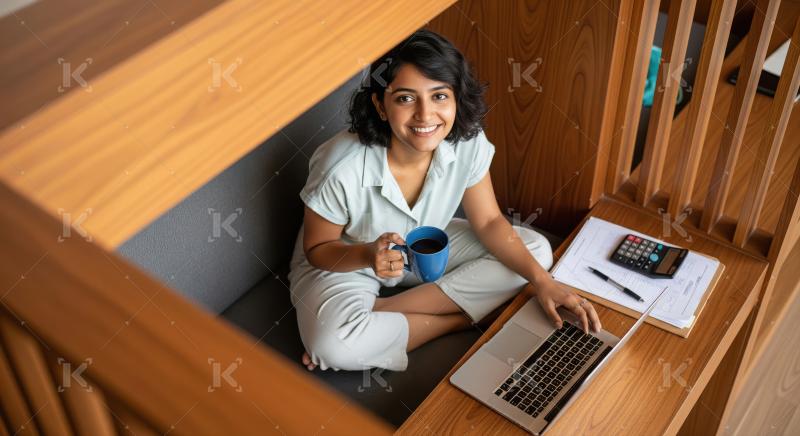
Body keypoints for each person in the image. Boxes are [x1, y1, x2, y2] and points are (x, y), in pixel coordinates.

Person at [287, 29, 601, 372]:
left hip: (422, 244)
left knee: (536, 251)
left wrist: (545, 283)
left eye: (439, 96)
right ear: (380, 104)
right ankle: (456, 322)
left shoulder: (467, 140)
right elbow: (317, 249)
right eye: (406, 98)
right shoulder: (339, 165)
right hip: (349, 259)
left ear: (456, 99)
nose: (425, 115)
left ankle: (380, 312)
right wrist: (367, 254)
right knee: (331, 346)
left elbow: (489, 222)